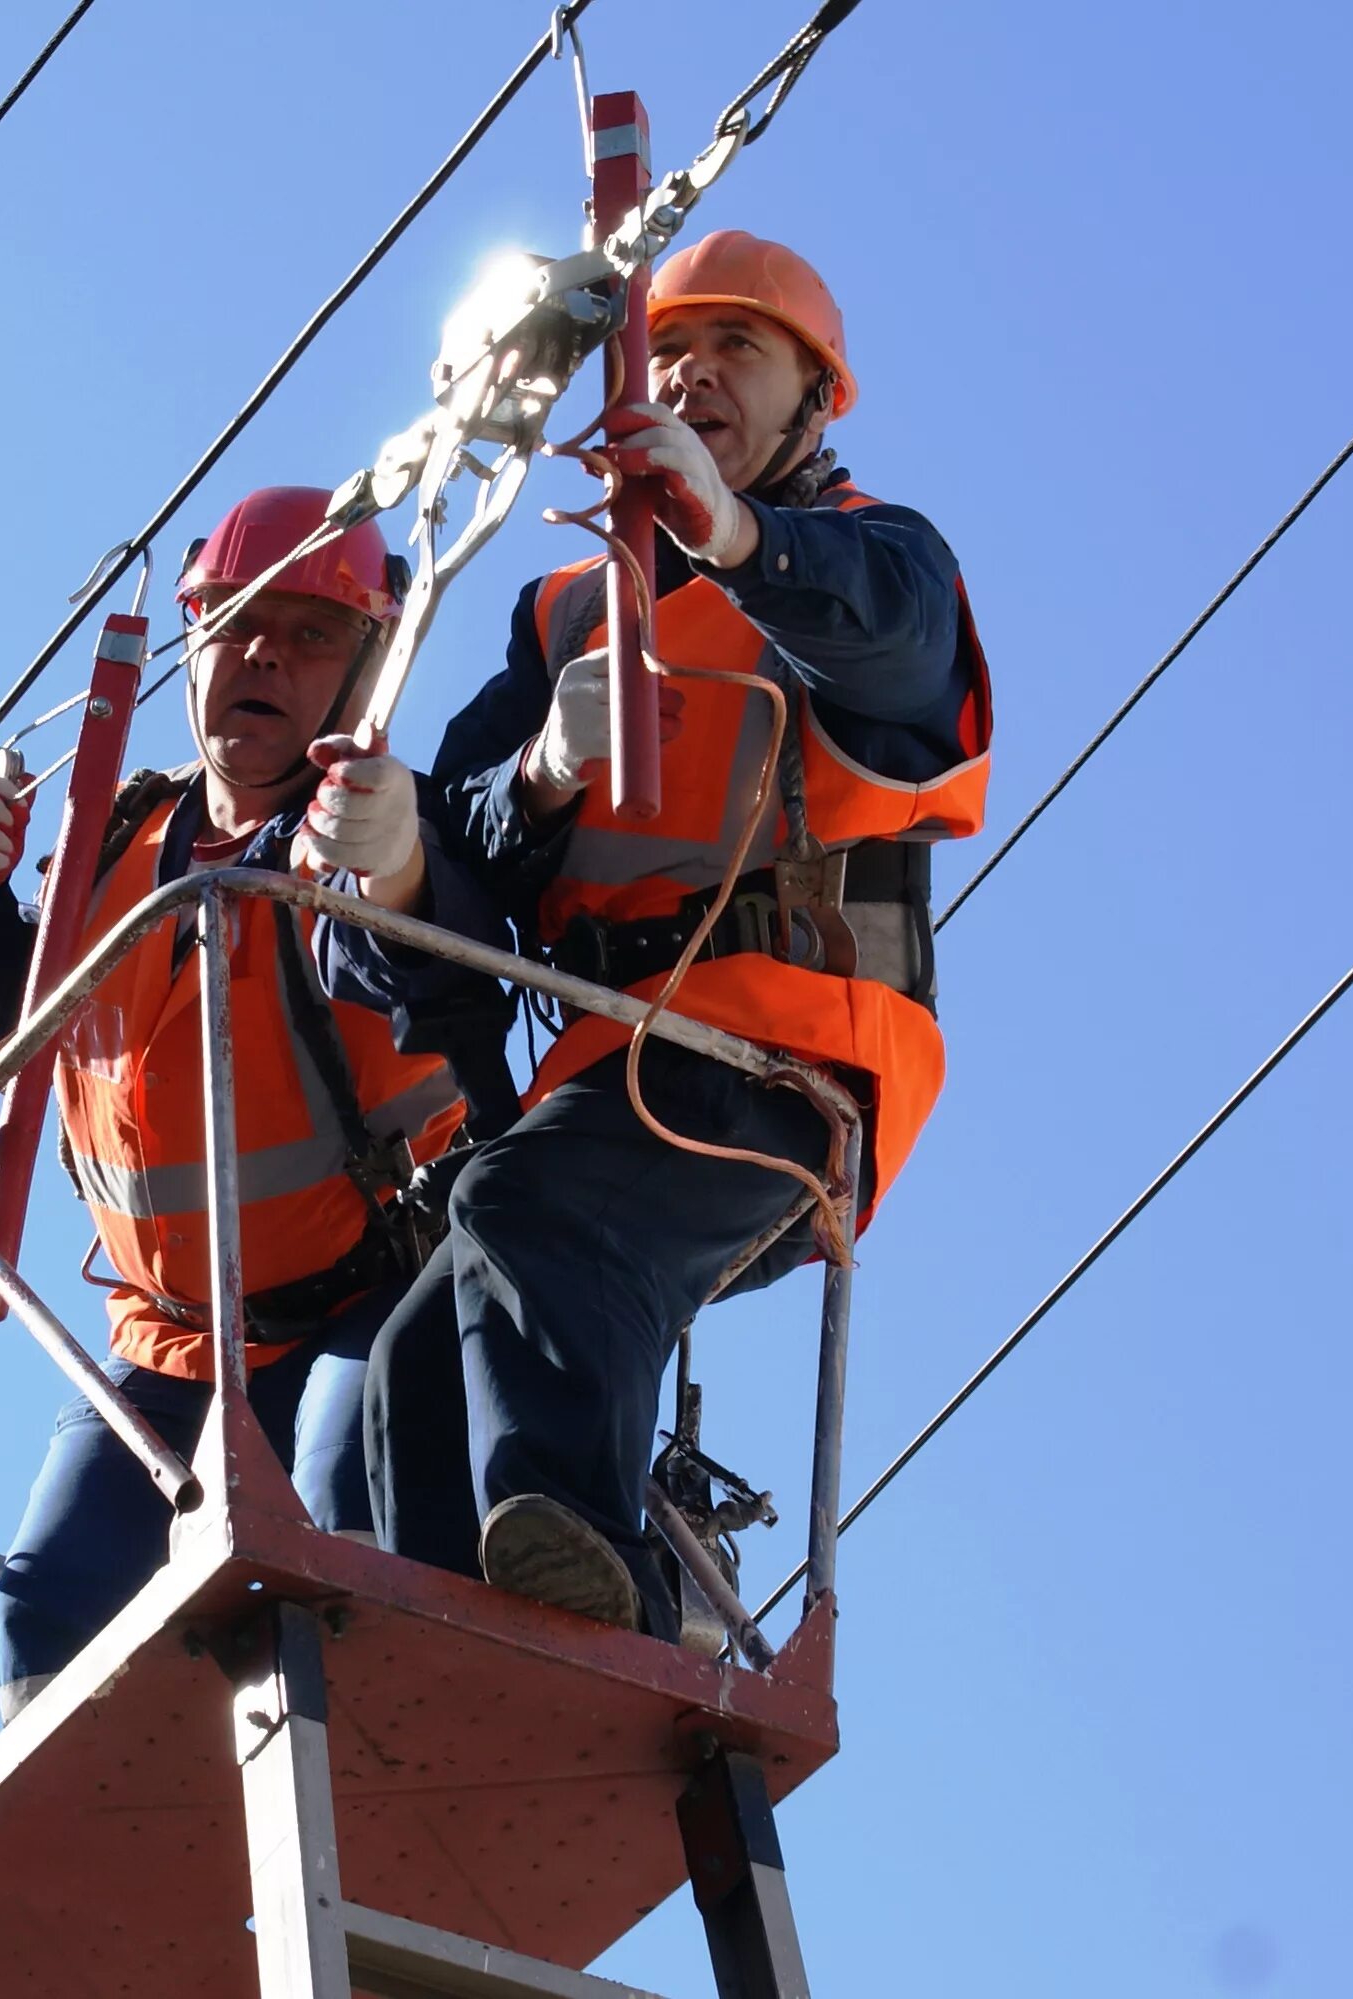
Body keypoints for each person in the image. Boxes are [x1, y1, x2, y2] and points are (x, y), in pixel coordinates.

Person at [365, 230, 997, 1634]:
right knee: (411, 1360)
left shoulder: (870, 562)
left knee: (529, 1206)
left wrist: (735, 535)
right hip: (614, 1067)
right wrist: (508, 791)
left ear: (811, 401)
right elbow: (459, 847)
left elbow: (897, 649)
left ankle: (597, 1584)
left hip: (782, 1060)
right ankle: (439, 1638)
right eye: (673, 350)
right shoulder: (565, 617)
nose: (697, 375)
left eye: (739, 351)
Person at [0, 487, 499, 1717]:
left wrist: (392, 862)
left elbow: (439, 961)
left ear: (366, 668)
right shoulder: (119, 838)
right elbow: (2, 1032)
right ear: (191, 643)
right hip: (174, 1337)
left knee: (352, 1499)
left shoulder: (373, 826)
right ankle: (103, 1877)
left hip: (368, 1298)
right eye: (237, 624)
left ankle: (377, 1802)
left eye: (311, 635)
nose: (265, 657)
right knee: (45, 1605)